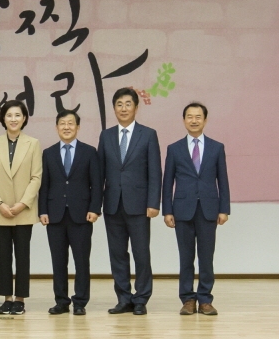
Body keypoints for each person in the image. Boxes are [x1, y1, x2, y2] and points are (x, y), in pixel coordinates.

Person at [97, 87, 162, 316]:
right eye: (119, 104)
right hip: (112, 204)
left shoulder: (148, 134)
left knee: (141, 254)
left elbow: (155, 172)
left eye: (128, 104)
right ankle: (123, 298)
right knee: (117, 254)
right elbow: (99, 174)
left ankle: (141, 298)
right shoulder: (106, 136)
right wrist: (96, 205)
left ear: (136, 107)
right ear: (114, 108)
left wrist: (153, 203)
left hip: (140, 205)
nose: (123, 108)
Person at [162, 102, 230, 316]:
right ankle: (188, 299)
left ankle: (205, 299)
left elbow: (223, 180)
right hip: (182, 210)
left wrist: (224, 209)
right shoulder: (174, 148)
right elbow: (167, 182)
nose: (194, 120)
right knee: (186, 257)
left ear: (205, 120)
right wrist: (167, 211)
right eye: (190, 117)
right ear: (184, 120)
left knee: (206, 257)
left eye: (198, 117)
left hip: (209, 209)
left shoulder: (217, 147)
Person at [39, 110, 102, 316]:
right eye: (62, 123)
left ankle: (80, 301)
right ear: (56, 127)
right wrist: (42, 210)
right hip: (55, 214)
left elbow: (96, 184)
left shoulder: (89, 152)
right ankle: (61, 301)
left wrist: (94, 208)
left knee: (81, 261)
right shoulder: (48, 153)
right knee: (58, 261)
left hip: (81, 215)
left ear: (78, 127)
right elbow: (44, 185)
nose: (66, 127)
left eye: (71, 123)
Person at [0, 100, 42, 315]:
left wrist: (22, 204)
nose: (13, 119)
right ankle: (7, 298)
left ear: (24, 118)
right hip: (0, 210)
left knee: (22, 255)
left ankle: (20, 299)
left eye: (18, 115)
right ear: (3, 118)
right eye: (9, 115)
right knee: (3, 256)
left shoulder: (33, 143)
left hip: (23, 209)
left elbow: (36, 177)